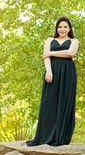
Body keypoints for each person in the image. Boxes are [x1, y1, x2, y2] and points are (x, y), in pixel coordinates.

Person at [26, 17, 79, 146]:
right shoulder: (50, 40)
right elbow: (46, 57)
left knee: (65, 102)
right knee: (49, 102)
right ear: (56, 28)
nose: (62, 29)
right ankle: (45, 136)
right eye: (60, 27)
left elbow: (71, 53)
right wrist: (49, 71)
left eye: (65, 27)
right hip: (52, 72)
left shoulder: (74, 41)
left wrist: (51, 53)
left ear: (69, 29)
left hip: (68, 74)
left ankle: (61, 137)